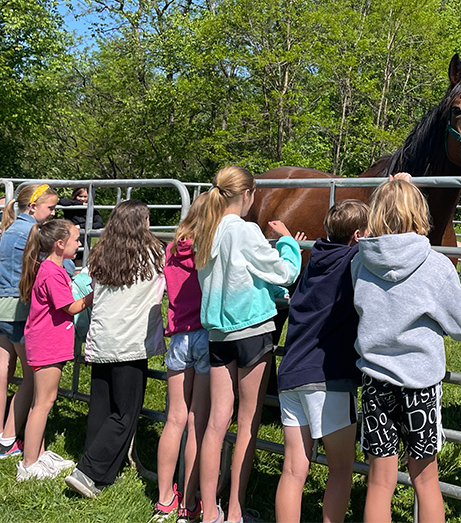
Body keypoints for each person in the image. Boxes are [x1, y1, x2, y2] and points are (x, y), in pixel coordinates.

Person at [353, 176, 461, 523]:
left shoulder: (360, 262)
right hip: (420, 385)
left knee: (380, 482)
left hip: (375, 380)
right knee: (425, 480)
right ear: (419, 212)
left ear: (376, 213)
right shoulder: (435, 265)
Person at [190, 166, 303, 523]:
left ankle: (209, 511)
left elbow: (234, 275)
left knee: (215, 423)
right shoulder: (245, 231)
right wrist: (289, 243)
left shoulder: (205, 231)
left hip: (218, 335)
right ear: (248, 195)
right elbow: (284, 272)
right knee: (248, 421)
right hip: (252, 331)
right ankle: (235, 509)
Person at [65, 200, 167, 498]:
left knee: (101, 406)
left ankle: (102, 471)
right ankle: (88, 471)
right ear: (141, 223)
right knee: (125, 413)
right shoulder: (154, 254)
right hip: (131, 344)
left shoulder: (101, 254)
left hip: (102, 340)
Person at [275, 199, 368, 523]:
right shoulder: (354, 261)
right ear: (358, 236)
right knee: (341, 469)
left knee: (292, 469)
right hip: (329, 378)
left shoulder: (312, 259)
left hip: (290, 374)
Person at [0, 183, 58, 460]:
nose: (52, 213)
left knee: (0, 372)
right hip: (19, 309)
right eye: (49, 208)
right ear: (33, 207)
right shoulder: (32, 233)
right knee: (29, 377)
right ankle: (9, 437)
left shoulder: (10, 229)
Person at [17, 218, 92, 480]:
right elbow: (70, 307)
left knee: (43, 401)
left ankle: (39, 453)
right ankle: (28, 464)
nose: (80, 242)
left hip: (48, 344)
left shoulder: (52, 269)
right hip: (47, 345)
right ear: (60, 244)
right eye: (76, 239)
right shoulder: (51, 272)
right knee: (44, 403)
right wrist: (95, 293)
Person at [153, 200, 211, 521]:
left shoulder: (172, 249)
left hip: (178, 337)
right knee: (196, 420)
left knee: (173, 418)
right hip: (204, 334)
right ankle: (189, 503)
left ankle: (164, 499)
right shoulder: (208, 250)